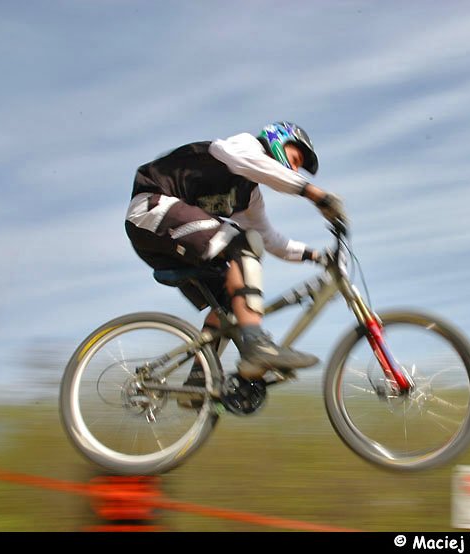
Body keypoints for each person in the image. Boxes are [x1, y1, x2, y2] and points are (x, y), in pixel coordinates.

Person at [125, 121, 347, 385]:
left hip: (170, 238)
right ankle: (256, 343)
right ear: (279, 140)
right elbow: (252, 164)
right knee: (244, 242)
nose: (295, 170)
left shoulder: (249, 197)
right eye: (296, 159)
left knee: (232, 300)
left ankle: (199, 380)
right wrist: (316, 195)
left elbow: (272, 240)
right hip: (151, 210)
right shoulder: (243, 146)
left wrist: (316, 256)